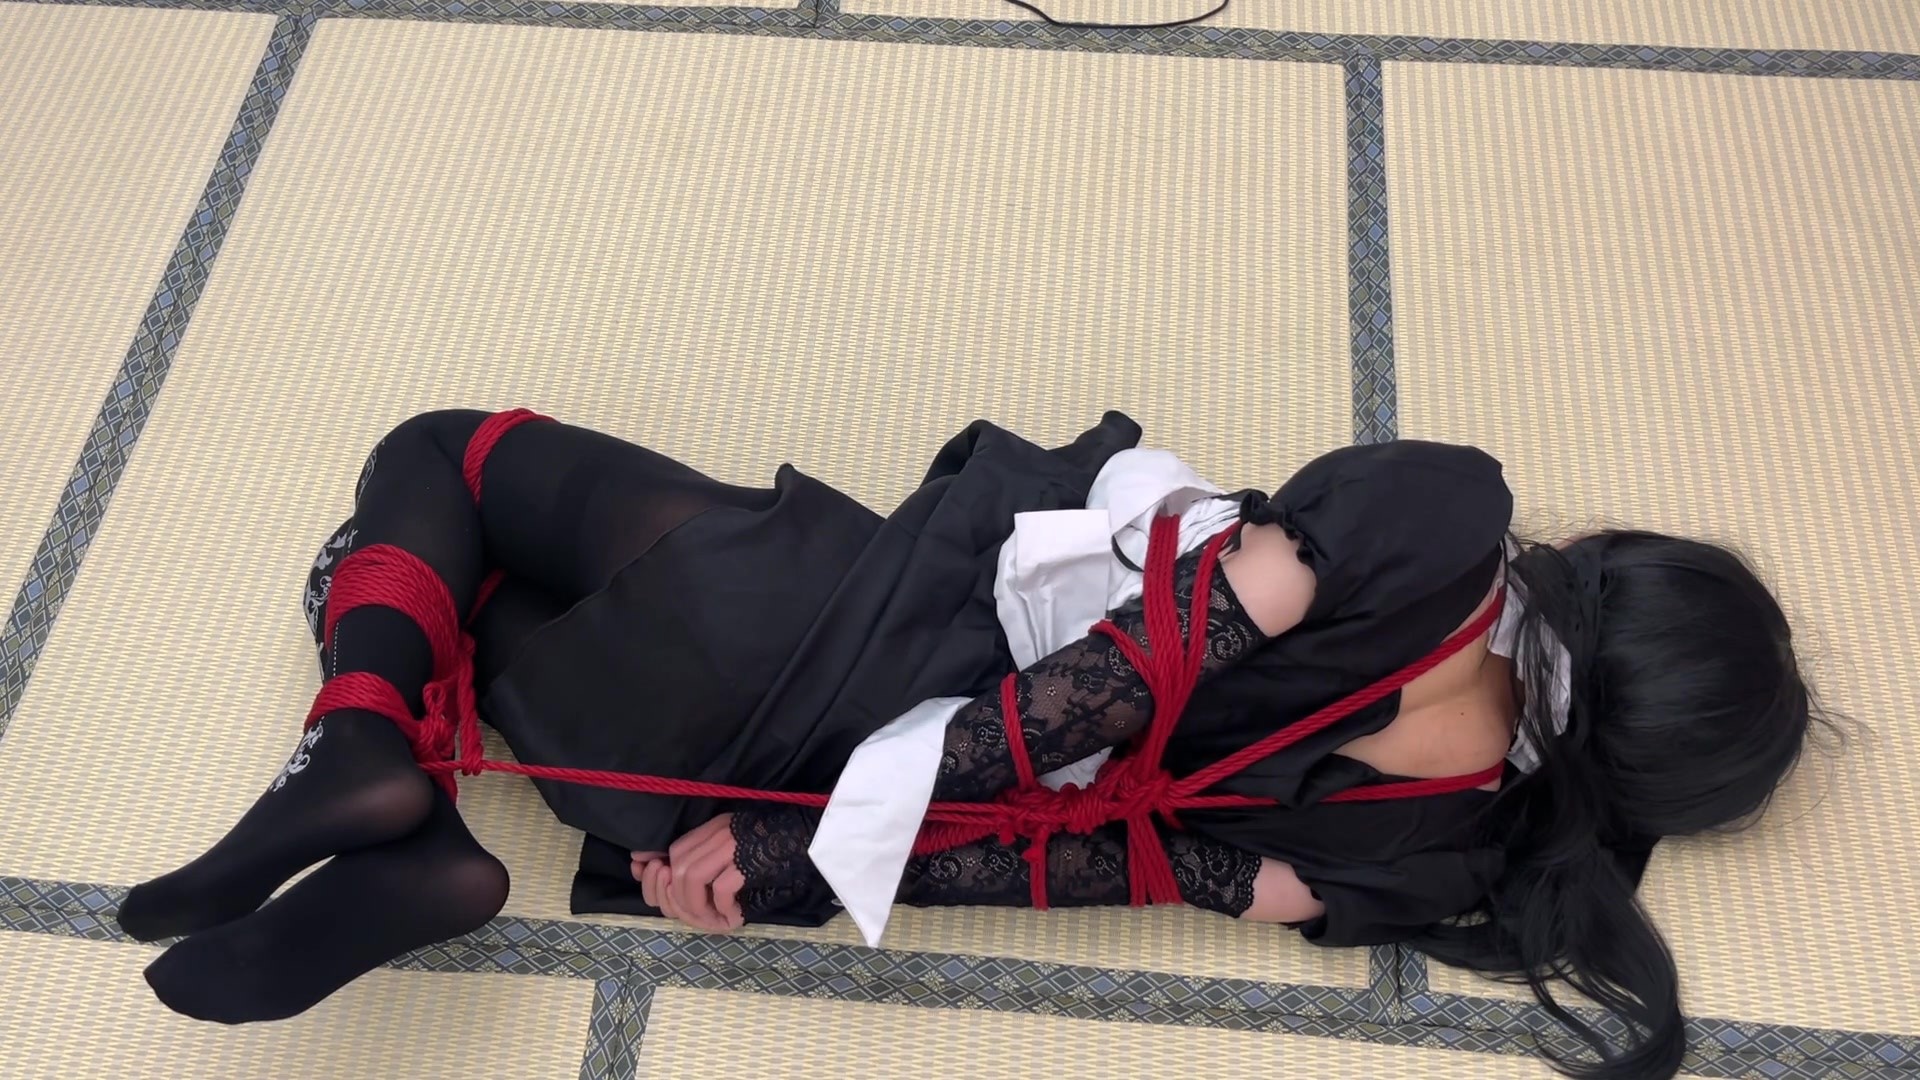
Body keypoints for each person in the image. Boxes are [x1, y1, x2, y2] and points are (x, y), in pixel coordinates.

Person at [115, 409, 1822, 1080]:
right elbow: (1109, 862)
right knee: (475, 609)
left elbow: (1101, 685)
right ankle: (426, 829)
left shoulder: (1442, 522)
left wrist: (832, 816)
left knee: (441, 465)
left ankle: (366, 748)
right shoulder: (1442, 859)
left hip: (824, 633)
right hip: (677, 813)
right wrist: (794, 861)